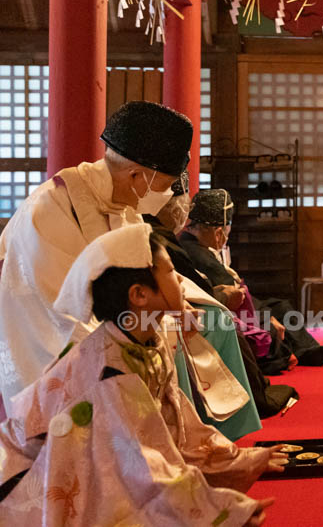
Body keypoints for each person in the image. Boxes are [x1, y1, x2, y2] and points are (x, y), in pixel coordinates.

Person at [0, 224, 283, 525]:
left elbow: (179, 426)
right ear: (139, 295)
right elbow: (143, 470)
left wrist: (238, 460)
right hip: (33, 472)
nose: (181, 282)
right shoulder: (110, 371)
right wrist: (224, 512)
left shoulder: (148, 339)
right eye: (173, 272)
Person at [0, 101, 192, 407]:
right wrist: (125, 342)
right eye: (166, 186)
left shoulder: (125, 208)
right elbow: (54, 309)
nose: (167, 196)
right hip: (44, 341)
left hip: (110, 334)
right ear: (136, 176)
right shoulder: (50, 207)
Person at [146, 176, 293, 421]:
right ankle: (258, 394)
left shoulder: (178, 240)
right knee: (226, 322)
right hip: (177, 313)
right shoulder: (165, 240)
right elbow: (195, 287)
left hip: (192, 307)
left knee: (278, 309)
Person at [180, 190, 323, 375]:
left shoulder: (197, 246)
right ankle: (294, 353)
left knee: (281, 306)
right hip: (227, 310)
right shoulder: (198, 253)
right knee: (271, 319)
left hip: (233, 305)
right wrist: (265, 317)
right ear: (219, 233)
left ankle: (305, 350)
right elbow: (237, 296)